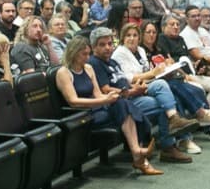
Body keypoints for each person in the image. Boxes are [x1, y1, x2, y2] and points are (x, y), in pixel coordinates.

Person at [54, 35, 162, 175]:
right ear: (73, 53)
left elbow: (98, 94)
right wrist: (105, 100)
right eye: (84, 54)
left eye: (88, 54)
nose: (87, 57)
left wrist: (114, 96)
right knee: (125, 107)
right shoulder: (63, 72)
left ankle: (137, 153)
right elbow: (73, 101)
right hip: (83, 115)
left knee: (122, 102)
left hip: (99, 108)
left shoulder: (88, 68)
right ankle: (138, 155)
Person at [88, 26, 192, 165]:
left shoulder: (112, 62)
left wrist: (137, 87)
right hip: (119, 104)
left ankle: (171, 139)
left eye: (109, 43)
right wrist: (132, 91)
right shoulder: (94, 63)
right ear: (93, 47)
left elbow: (124, 82)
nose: (107, 48)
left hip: (131, 96)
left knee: (164, 99)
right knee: (164, 105)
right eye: (102, 45)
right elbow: (105, 90)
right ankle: (168, 146)